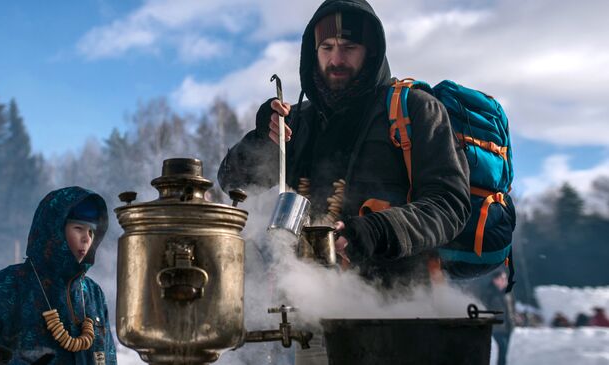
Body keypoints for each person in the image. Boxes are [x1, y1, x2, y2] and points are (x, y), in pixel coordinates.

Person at [218, 0, 470, 287]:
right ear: (313, 53)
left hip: (398, 307)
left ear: (371, 51)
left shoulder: (414, 110)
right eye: (326, 47)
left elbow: (450, 204)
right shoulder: (295, 123)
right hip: (304, 303)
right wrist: (262, 138)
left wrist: (375, 231)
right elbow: (232, 182)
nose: (336, 60)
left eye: (349, 47)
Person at [0, 186, 116, 364]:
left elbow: (108, 357)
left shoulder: (93, 293)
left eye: (91, 231)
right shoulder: (8, 286)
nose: (87, 238)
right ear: (54, 231)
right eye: (78, 228)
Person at [480, 270, 515, 365]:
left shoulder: (508, 292)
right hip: (496, 327)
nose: (505, 280)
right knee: (502, 348)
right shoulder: (489, 293)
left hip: (508, 327)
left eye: (505, 278)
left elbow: (512, 306)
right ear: (495, 280)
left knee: (504, 351)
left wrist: (514, 318)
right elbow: (483, 309)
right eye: (502, 278)